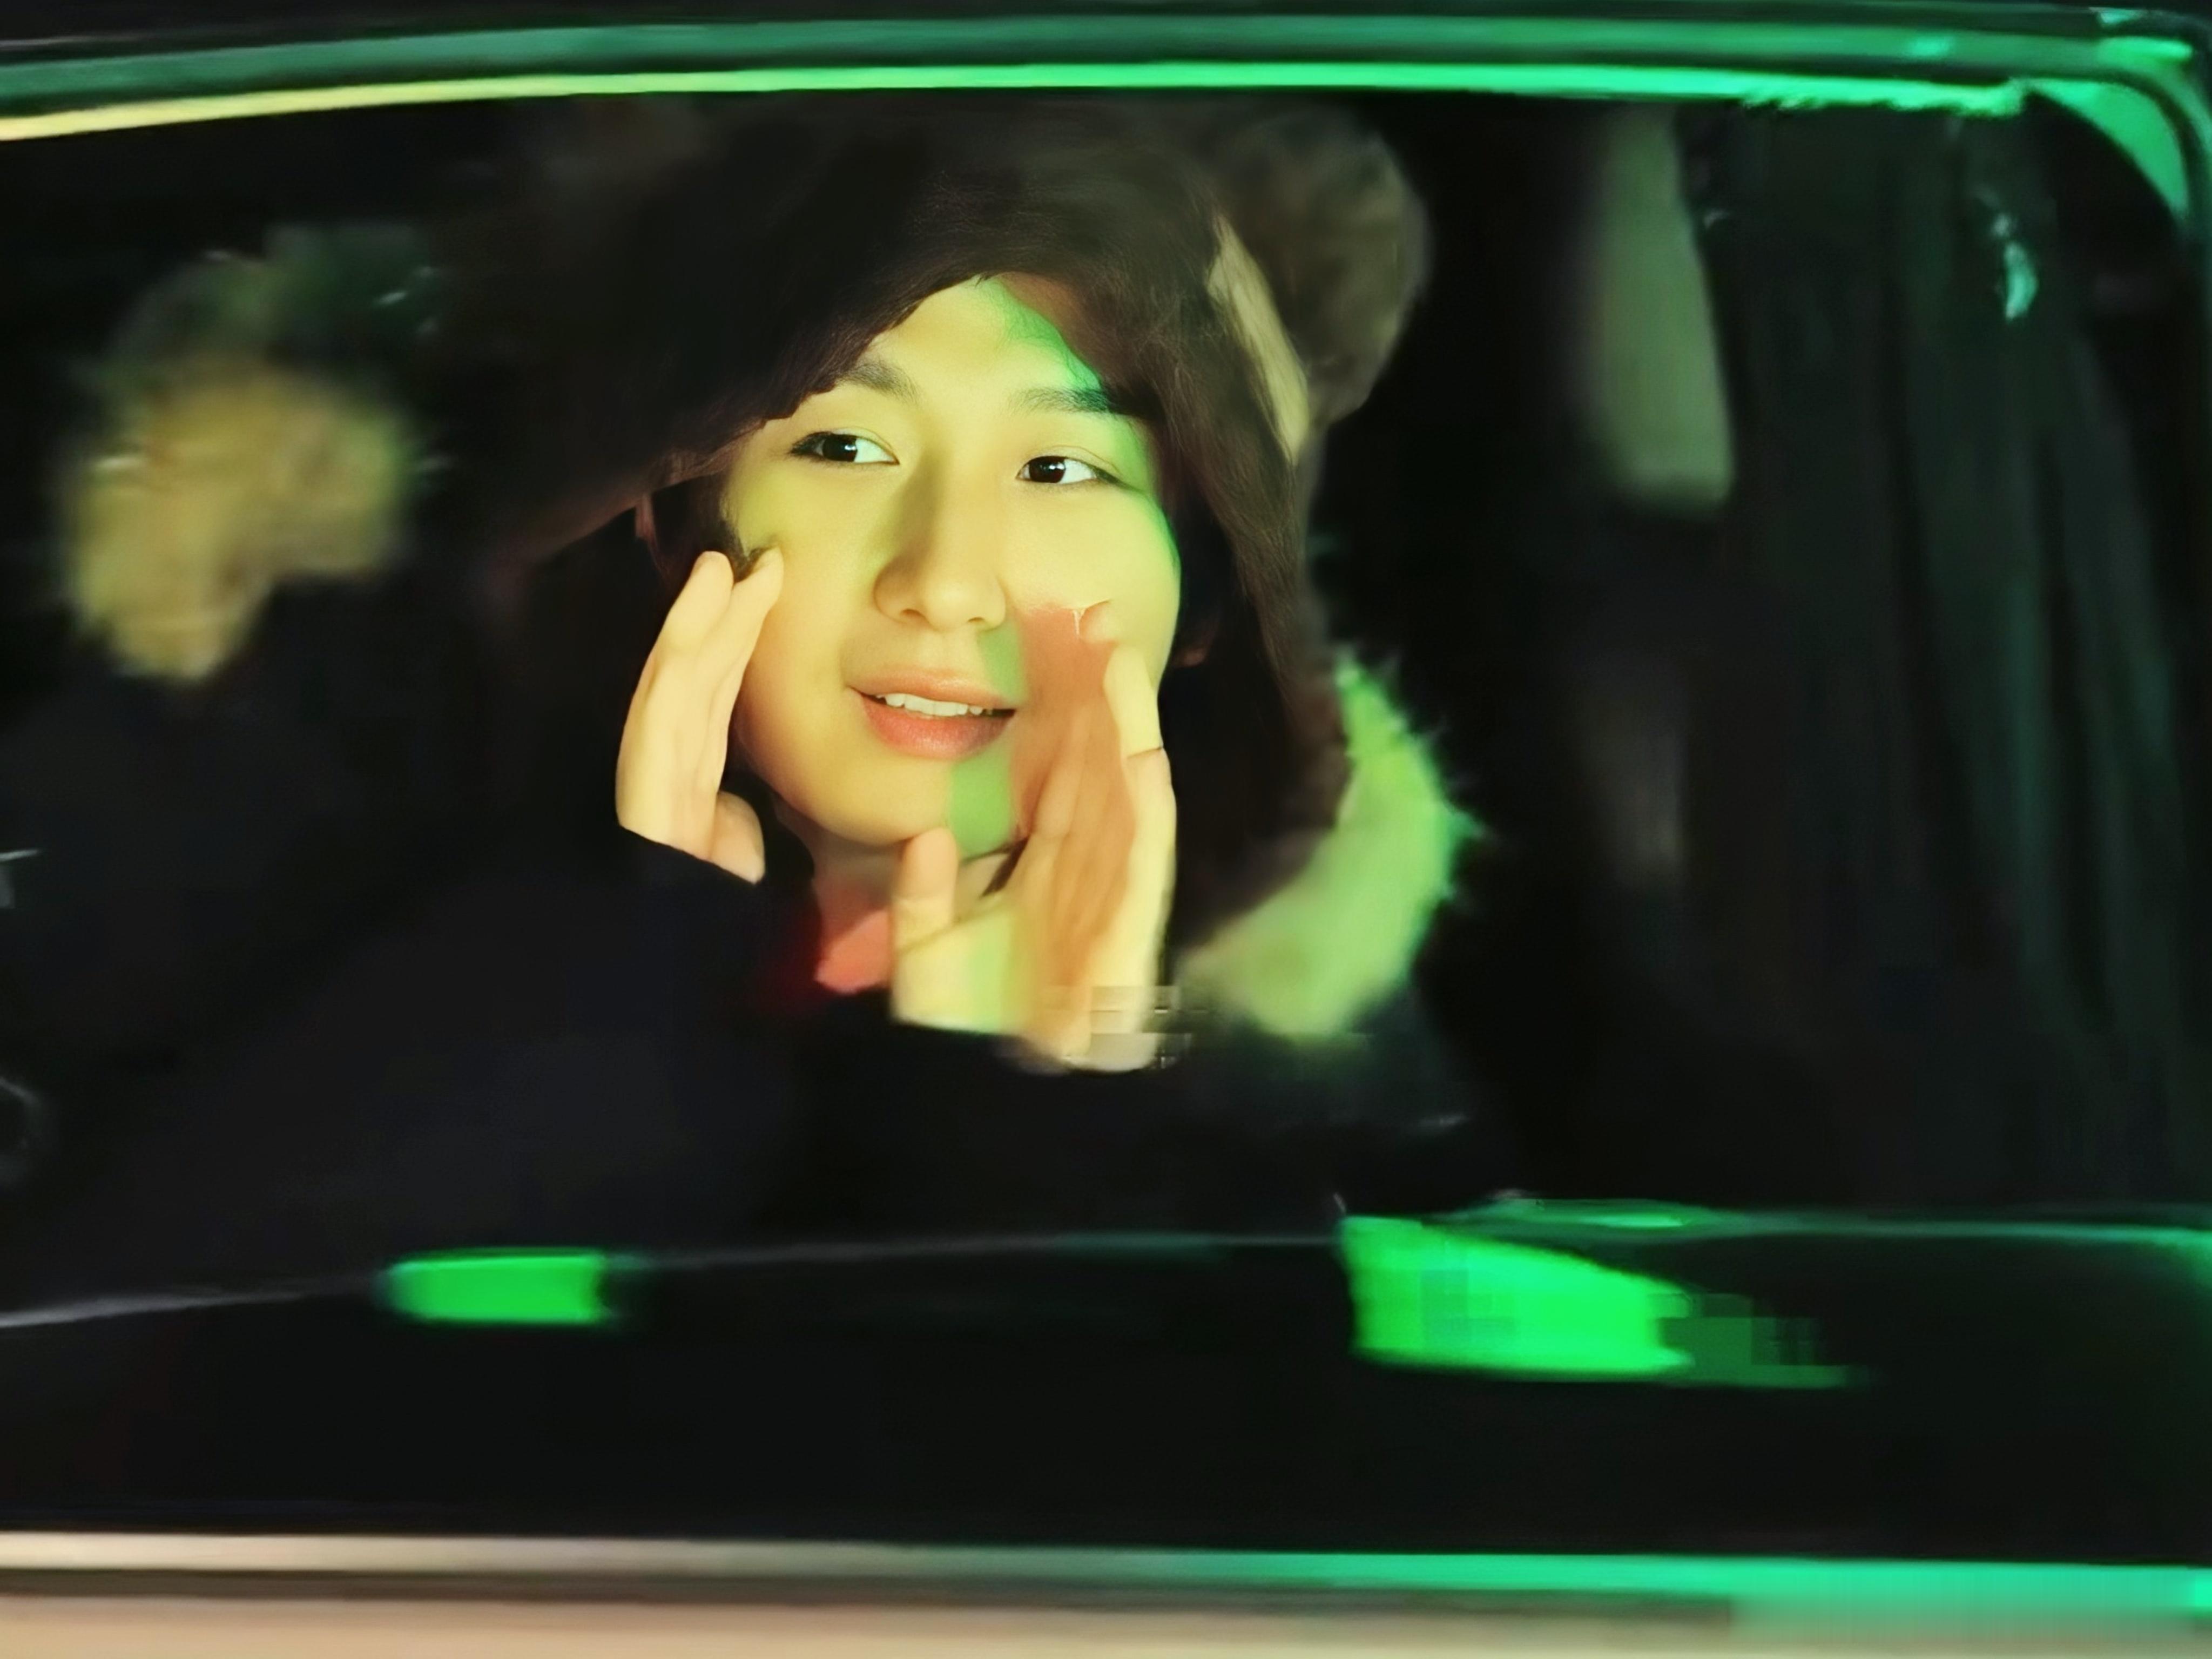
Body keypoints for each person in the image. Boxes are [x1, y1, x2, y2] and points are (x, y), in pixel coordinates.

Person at [0, 97, 1509, 1299]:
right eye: (844, 448)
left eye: (1064, 468)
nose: (947, 579)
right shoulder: (262, 819)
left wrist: (1043, 1110)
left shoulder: (1315, 1042)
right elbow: (110, 1385)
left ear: (1205, 592)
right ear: (676, 507)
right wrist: (608, 983)